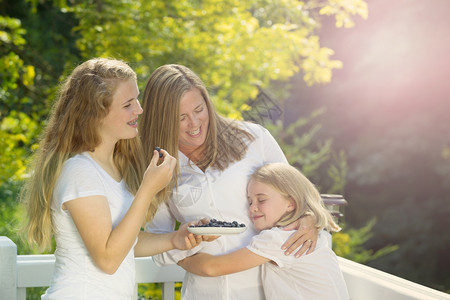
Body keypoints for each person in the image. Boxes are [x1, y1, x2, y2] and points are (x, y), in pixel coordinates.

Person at [22, 58, 202, 299]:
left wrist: (175, 239)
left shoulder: (114, 165)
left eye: (136, 99)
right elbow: (107, 259)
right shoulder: (80, 172)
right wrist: (147, 189)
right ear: (95, 114)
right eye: (128, 104)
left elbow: (123, 243)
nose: (139, 109)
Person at [138, 64, 319, 299]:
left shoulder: (253, 139)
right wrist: (186, 243)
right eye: (181, 118)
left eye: (199, 110)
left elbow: (300, 199)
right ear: (162, 120)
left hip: (268, 290)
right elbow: (159, 246)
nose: (194, 123)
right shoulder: (159, 167)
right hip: (204, 292)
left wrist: (309, 220)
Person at [179, 163, 349, 300]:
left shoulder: (279, 239)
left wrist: (178, 256)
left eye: (261, 200)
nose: (253, 208)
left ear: (291, 203)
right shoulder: (315, 234)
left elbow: (211, 268)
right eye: (250, 201)